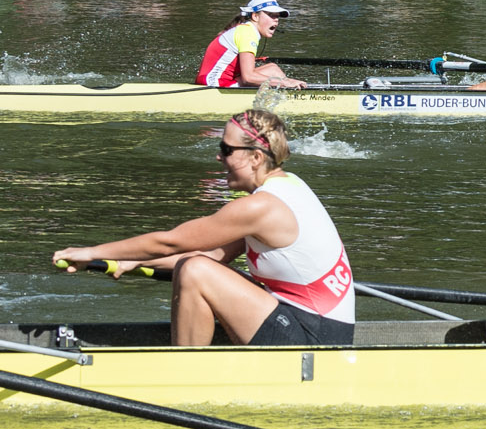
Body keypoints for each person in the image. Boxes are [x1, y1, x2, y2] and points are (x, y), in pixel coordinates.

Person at [53, 109, 356, 347]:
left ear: (254, 157)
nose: (218, 156)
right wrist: (131, 260)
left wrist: (89, 251)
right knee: (195, 266)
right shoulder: (288, 185)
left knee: (194, 271)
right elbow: (212, 255)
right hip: (308, 322)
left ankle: (186, 372)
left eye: (226, 149)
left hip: (315, 340)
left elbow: (172, 243)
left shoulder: (260, 207)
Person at [198, 0, 307, 89]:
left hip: (211, 81)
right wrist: (286, 83)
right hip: (215, 85)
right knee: (274, 75)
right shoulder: (248, 33)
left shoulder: (244, 29)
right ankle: (292, 95)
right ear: (255, 16)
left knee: (272, 68)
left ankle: (290, 93)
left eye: (277, 16)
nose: (276, 20)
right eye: (271, 15)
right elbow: (248, 78)